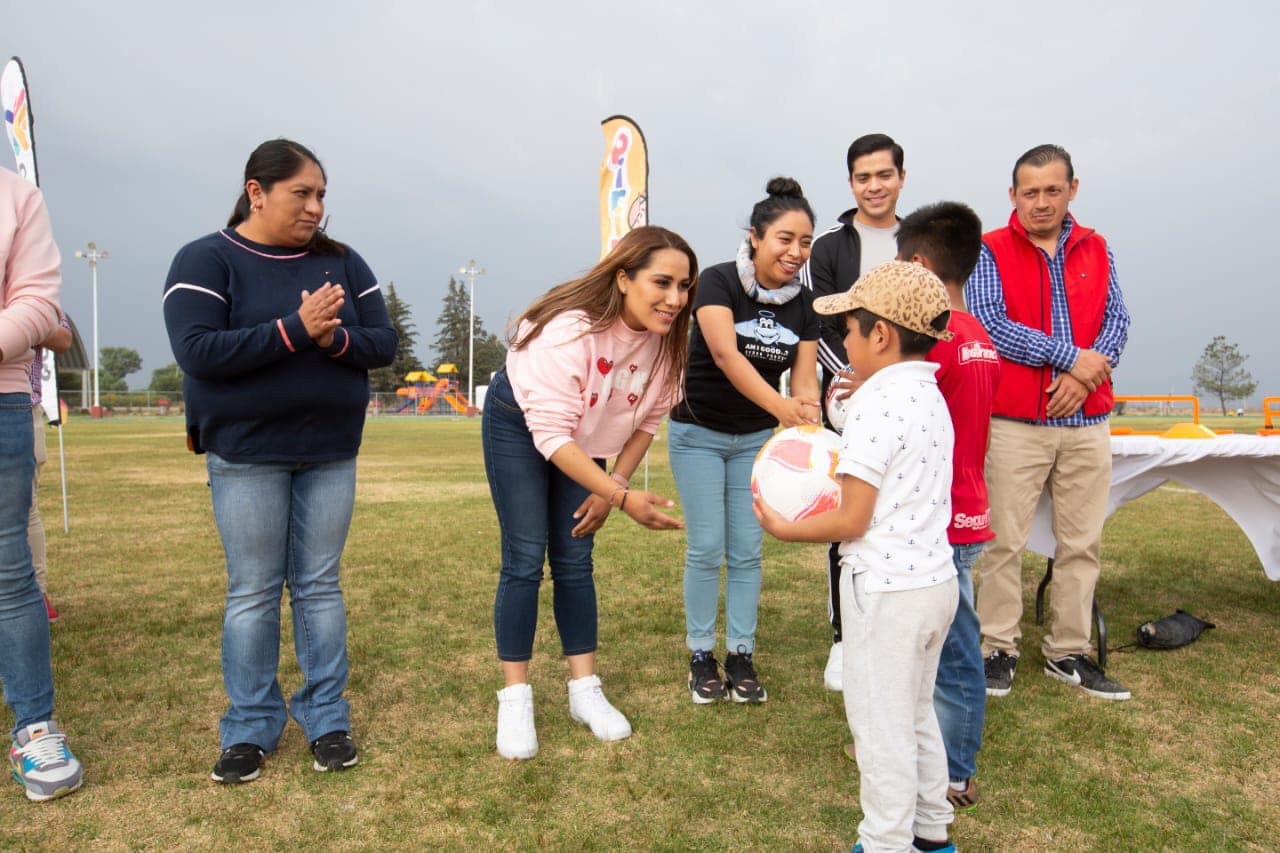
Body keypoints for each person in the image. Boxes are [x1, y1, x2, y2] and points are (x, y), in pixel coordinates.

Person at [163, 139, 397, 783]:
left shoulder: (344, 262)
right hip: (247, 455)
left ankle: (327, 718)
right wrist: (295, 329)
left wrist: (334, 336)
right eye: (303, 193)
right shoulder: (206, 259)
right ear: (256, 191)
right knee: (254, 592)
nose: (316, 207)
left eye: (322, 195)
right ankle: (249, 727)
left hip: (329, 451)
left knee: (320, 586)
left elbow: (383, 342)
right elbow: (199, 350)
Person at [756, 261, 958, 853]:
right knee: (917, 713)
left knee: (879, 726)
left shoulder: (878, 406)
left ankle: (885, 841)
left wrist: (784, 527)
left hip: (886, 592)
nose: (842, 343)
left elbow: (852, 518)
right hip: (934, 584)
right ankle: (931, 831)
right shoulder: (928, 395)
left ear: (881, 335)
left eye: (847, 330)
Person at [484, 225, 695, 760]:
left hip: (584, 432)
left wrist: (613, 486)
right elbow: (552, 435)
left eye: (684, 285)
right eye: (662, 282)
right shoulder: (569, 331)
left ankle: (584, 691)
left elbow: (647, 421)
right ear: (624, 278)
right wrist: (622, 499)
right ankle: (515, 697)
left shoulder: (667, 342)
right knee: (526, 557)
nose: (675, 299)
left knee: (576, 556)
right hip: (522, 423)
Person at [965, 144, 1132, 701]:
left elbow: (1117, 320)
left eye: (1052, 190)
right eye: (1030, 192)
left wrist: (1084, 378)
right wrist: (1070, 358)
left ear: (1072, 190)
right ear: (1013, 195)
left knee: (1082, 542)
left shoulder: (1098, 247)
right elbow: (990, 321)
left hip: (1087, 420)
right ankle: (997, 648)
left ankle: (1069, 651)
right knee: (1004, 541)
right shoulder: (989, 249)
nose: (1041, 202)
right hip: (1015, 421)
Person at [668, 177, 820, 705]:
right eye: (784, 239)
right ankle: (699, 655)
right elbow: (728, 357)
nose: (795, 252)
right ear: (755, 237)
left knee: (749, 551)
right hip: (699, 435)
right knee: (708, 548)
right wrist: (782, 409)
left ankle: (741, 654)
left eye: (805, 242)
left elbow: (804, 379)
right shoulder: (716, 282)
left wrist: (808, 418)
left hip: (755, 440)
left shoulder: (805, 304)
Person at [897, 202, 998, 810]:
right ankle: (928, 751)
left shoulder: (934, 339)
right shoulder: (978, 334)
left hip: (940, 514)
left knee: (952, 648)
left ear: (918, 265)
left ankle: (955, 770)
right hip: (966, 506)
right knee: (942, 639)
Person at [802, 133, 907, 691]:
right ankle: (843, 639)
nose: (874, 186)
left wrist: (896, 377)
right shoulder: (829, 246)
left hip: (909, 396)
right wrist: (858, 378)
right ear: (851, 184)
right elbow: (820, 319)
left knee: (903, 510)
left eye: (884, 175)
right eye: (863, 177)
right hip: (847, 398)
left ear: (900, 178)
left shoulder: (918, 243)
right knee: (848, 516)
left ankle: (896, 633)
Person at [0, 165, 84, 801]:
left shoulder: (16, 195)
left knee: (10, 569)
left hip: (5, 399)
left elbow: (37, 300)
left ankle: (33, 726)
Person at [28, 314, 73, 623]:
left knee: (24, 508)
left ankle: (36, 591)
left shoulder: (37, 288)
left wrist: (22, 322)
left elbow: (63, 338)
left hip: (20, 407)